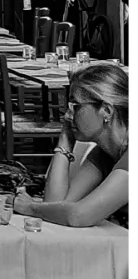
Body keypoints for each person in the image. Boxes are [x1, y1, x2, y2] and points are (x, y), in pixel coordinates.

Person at [13, 63, 127, 227]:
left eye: (76, 106)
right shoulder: (105, 153)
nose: (67, 115)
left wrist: (30, 207)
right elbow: (56, 203)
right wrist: (65, 138)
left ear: (106, 111)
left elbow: (79, 215)